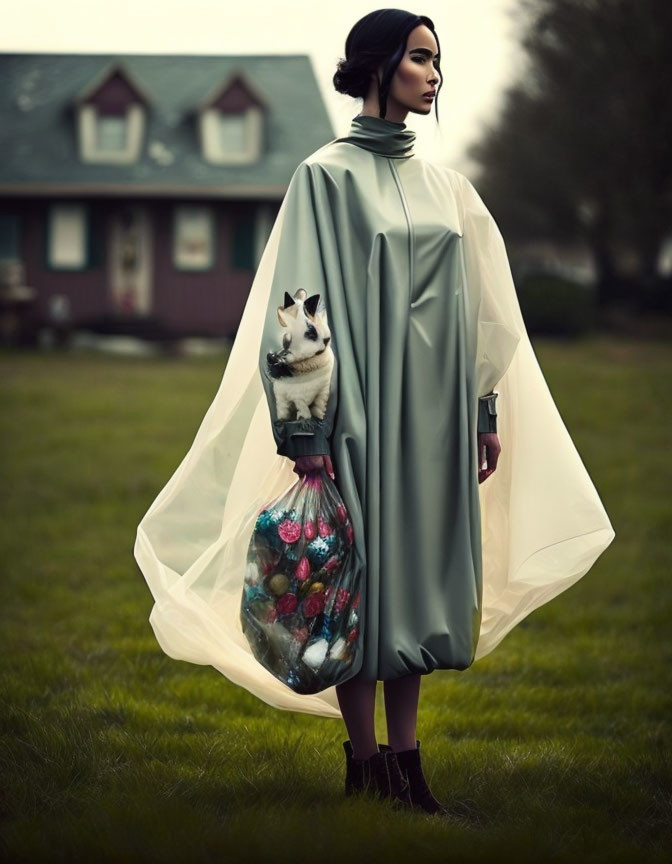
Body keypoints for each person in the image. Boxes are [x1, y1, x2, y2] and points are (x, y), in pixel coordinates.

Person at [134, 8, 615, 819]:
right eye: (420, 59)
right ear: (379, 65)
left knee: (419, 585)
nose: (433, 75)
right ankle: (365, 765)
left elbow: (483, 312)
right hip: (355, 418)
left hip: (434, 422)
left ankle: (408, 756)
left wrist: (484, 409)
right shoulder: (323, 178)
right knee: (358, 588)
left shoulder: (448, 188)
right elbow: (299, 306)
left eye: (437, 61)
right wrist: (306, 426)